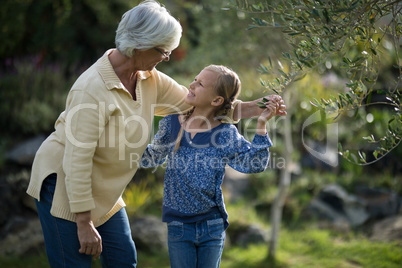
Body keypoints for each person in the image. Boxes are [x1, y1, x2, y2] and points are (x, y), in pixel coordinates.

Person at [26, 1, 286, 267]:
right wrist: (84, 223)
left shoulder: (147, 77)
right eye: (163, 50)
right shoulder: (91, 90)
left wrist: (254, 108)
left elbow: (198, 106)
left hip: (104, 188)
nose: (167, 57)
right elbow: (76, 160)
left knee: (123, 260)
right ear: (139, 47)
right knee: (75, 262)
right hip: (65, 183)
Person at [140, 64, 285, 268]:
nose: (191, 85)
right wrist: (121, 143)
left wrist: (261, 125)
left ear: (216, 100)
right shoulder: (171, 123)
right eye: (195, 79)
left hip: (212, 225)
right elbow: (151, 158)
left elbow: (254, 164)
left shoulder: (225, 134)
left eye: (200, 84)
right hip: (178, 226)